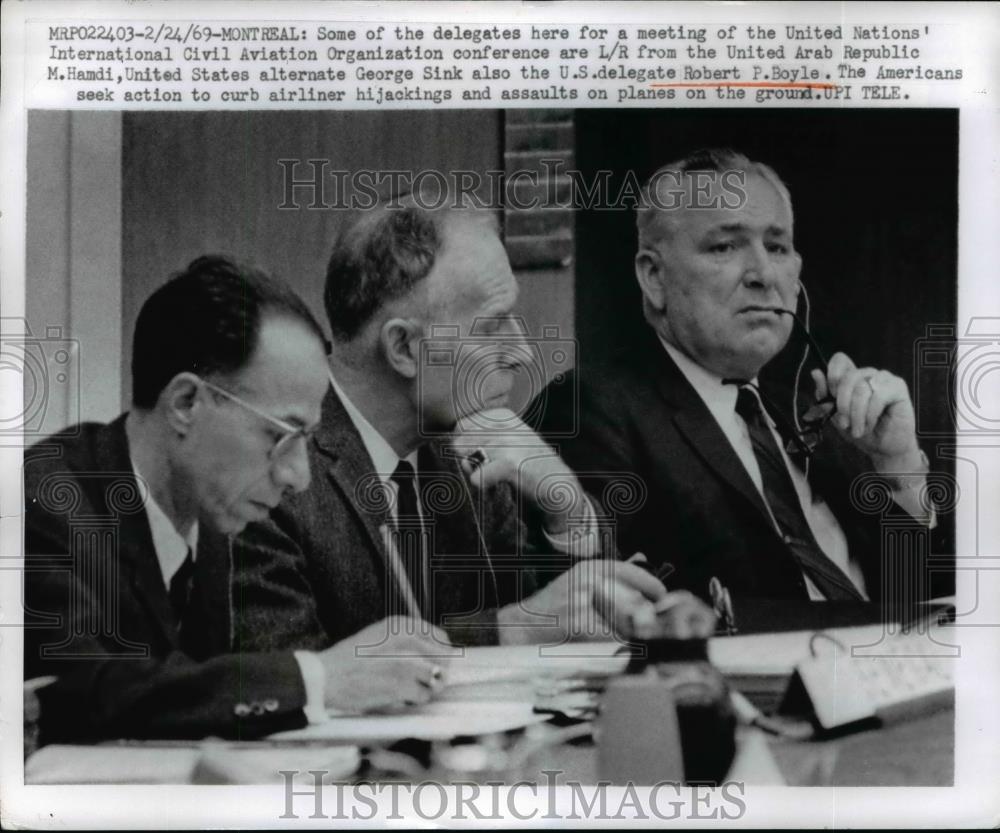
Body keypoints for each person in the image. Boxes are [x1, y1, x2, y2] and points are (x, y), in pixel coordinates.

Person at [234, 190, 715, 654]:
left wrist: (563, 509)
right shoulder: (270, 469)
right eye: (492, 326)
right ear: (404, 348)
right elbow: (294, 675)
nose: (523, 352)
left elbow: (560, 633)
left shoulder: (474, 453)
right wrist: (509, 630)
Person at [24, 256, 450, 743]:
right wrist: (321, 679)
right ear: (186, 403)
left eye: (308, 443)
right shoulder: (44, 503)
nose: (300, 477)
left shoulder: (210, 518)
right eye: (280, 435)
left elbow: (194, 698)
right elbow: (84, 694)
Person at [536, 149, 942, 612]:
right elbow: (612, 607)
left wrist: (898, 467)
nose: (764, 275)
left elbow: (919, 603)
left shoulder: (826, 416)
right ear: (654, 277)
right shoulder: (594, 408)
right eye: (724, 247)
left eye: (777, 247)